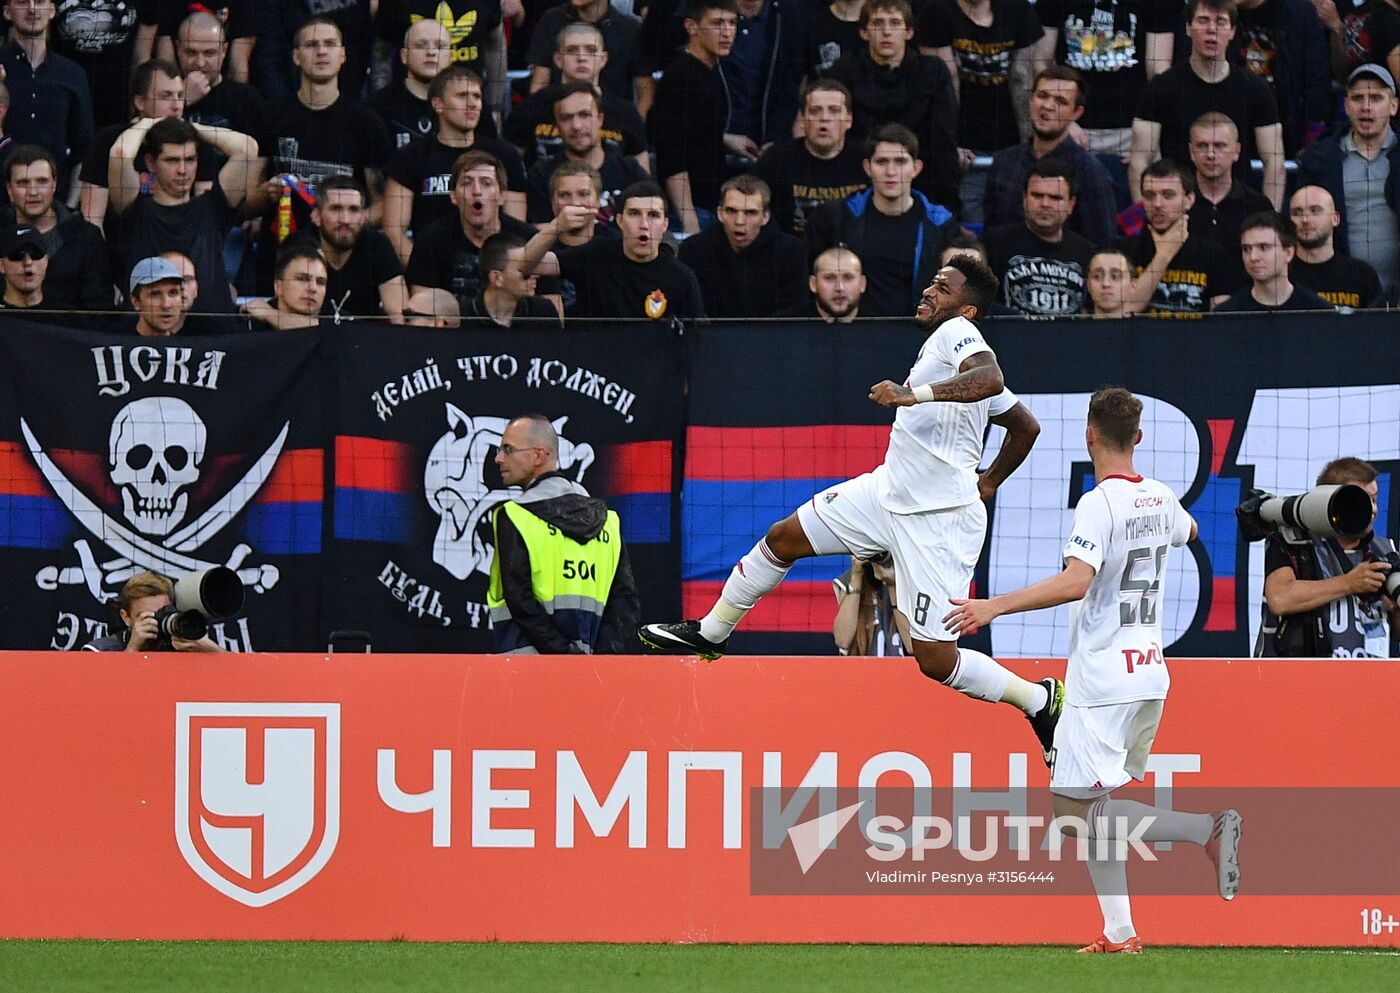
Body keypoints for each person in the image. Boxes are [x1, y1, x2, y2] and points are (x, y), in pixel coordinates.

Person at [638, 257, 1059, 760]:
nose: (928, 290)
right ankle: (711, 632)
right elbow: (1025, 426)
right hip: (887, 492)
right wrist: (988, 482)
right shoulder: (945, 352)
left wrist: (912, 395)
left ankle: (1039, 701)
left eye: (942, 288)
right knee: (783, 537)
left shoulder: (957, 333)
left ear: (967, 309)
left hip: (937, 521)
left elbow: (989, 378)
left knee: (934, 660)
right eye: (931, 281)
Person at [944, 386, 1240, 955]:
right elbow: (1192, 532)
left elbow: (1078, 580)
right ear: (1140, 438)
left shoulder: (1098, 503)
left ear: (1088, 436)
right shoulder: (1158, 495)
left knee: (1076, 815)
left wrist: (993, 605)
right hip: (1150, 674)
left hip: (1103, 680)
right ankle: (1120, 933)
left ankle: (1207, 829)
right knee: (1092, 807)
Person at [250, 15, 392, 291]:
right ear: (296, 56)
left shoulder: (366, 124)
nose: (322, 51)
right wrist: (266, 194)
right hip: (281, 255)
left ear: (343, 55)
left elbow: (383, 206)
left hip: (343, 256)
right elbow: (244, 201)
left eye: (330, 44)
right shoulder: (269, 116)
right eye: (312, 45)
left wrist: (344, 221)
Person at [487, 412, 640, 654]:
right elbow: (625, 604)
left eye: (508, 449)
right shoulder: (609, 522)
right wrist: (600, 663)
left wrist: (565, 655)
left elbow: (520, 601)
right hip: (591, 679)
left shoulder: (514, 516)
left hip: (524, 674)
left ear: (539, 455)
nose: (498, 458)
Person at [1130, 0, 1285, 209]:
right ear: (1188, 27)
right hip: (1177, 213)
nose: (1211, 30)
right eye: (1203, 21)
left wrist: (1270, 223)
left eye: (1220, 22)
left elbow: (1274, 161)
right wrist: (1145, 222)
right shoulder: (1161, 89)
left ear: (1232, 31)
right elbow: (1140, 161)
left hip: (1239, 211)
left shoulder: (1255, 89)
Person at [806, 123, 959, 318]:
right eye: (882, 162)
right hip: (853, 333)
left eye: (900, 162)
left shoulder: (941, 225)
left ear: (916, 168)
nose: (891, 172)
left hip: (918, 334)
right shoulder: (836, 217)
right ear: (868, 167)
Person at [824, 0, 962, 214]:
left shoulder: (932, 72)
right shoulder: (844, 71)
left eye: (895, 23)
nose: (887, 31)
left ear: (909, 32)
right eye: (878, 23)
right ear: (863, 32)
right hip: (857, 184)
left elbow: (943, 141)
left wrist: (948, 209)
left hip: (923, 184)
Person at [383, 65, 528, 267]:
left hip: (495, 271)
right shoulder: (410, 156)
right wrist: (424, 271)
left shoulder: (504, 155)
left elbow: (515, 229)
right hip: (431, 267)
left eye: (477, 97)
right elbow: (393, 230)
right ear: (438, 104)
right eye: (462, 96)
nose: (472, 104)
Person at [108, 115, 257, 311]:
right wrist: (150, 123)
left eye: (190, 159)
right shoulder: (134, 210)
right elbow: (119, 153)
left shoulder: (214, 206)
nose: (182, 170)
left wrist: (190, 126)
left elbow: (248, 148)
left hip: (213, 336)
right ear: (151, 163)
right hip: (149, 336)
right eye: (172, 160)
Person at [1255, 457, 1399, 658]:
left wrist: (1396, 612)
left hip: (1368, 681)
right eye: (1364, 501)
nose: (1373, 510)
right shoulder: (1293, 541)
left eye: (1374, 500)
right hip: (1301, 678)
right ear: (1331, 502)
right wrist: (1349, 583)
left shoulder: (1385, 550)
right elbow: (1280, 598)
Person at [1033, 0, 1177, 190]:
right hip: (1071, 129)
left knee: (1135, 215)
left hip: (1131, 133)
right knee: (1064, 210)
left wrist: (1148, 134)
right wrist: (1063, 120)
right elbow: (1040, 62)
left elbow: (1159, 73)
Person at [520, 180, 706, 320]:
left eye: (653, 215)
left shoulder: (681, 277)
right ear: (619, 221)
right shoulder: (596, 254)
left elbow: (699, 339)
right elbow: (526, 265)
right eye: (634, 214)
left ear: (665, 225)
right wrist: (555, 228)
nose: (643, 224)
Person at [915, 0, 1048, 192]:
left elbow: (1024, 79)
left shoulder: (1017, 8)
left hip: (1011, 137)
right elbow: (944, 85)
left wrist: (1030, 142)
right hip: (965, 144)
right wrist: (950, 144)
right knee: (970, 210)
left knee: (1015, 209)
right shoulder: (936, 10)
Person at [1295, 63, 1400, 303]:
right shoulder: (1319, 160)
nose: (1366, 107)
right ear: (1346, 106)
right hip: (1339, 295)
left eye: (1375, 98)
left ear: (1393, 106)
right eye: (1357, 98)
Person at [404, 150, 555, 314]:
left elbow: (553, 312)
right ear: (453, 196)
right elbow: (421, 317)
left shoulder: (530, 240)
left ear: (502, 196)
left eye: (486, 183)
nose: (476, 191)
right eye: (467, 183)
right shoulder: (431, 240)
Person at [982, 66, 1118, 246]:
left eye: (1060, 101)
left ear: (1077, 113)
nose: (1047, 106)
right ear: (1031, 100)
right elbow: (990, 235)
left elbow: (1102, 247)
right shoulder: (1004, 162)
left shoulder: (1091, 172)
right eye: (1042, 96)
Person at [503, 21, 649, 169]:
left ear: (603, 59)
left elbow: (643, 182)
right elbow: (510, 172)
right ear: (558, 60)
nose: (581, 57)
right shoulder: (530, 109)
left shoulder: (625, 113)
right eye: (572, 50)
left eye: (591, 50)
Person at [651, 0, 738, 234]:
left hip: (711, 203)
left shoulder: (711, 69)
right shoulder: (680, 78)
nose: (727, 32)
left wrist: (726, 138)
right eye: (717, 23)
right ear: (691, 27)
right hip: (692, 210)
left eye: (732, 23)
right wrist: (689, 218)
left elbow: (695, 130)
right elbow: (671, 153)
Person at [1114, 159, 1234, 316]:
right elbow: (1121, 314)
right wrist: (1163, 257)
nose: (1157, 204)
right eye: (1149, 195)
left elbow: (1221, 325)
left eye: (1168, 195)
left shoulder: (1214, 255)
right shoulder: (1122, 251)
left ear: (1189, 200)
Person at [677, 174, 807, 318]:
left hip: (773, 338)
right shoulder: (694, 250)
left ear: (765, 217)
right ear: (720, 213)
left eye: (750, 213)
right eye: (732, 211)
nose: (739, 221)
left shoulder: (792, 252)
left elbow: (794, 311)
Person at [2, 143, 112, 313]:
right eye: (23, 183)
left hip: (68, 335)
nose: (33, 192)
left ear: (54, 185)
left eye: (42, 181)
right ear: (9, 189)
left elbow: (99, 310)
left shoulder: (86, 236)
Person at [0, 0, 94, 198]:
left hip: (56, 206)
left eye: (40, 1)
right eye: (23, 2)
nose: (33, 8)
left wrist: (69, 208)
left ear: (52, 10)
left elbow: (83, 151)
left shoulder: (73, 73)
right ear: (7, 12)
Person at [751, 79, 869, 236]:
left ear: (849, 120)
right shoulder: (776, 159)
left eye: (834, 110)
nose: (824, 118)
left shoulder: (867, 159)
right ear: (802, 120)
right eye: (815, 111)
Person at [982, 158, 1096, 317]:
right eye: (1037, 195)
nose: (1045, 204)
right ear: (1024, 199)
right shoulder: (993, 243)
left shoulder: (1086, 253)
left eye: (1055, 198)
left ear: (1071, 204)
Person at [524, 82, 648, 224]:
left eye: (584, 115)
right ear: (557, 125)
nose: (576, 126)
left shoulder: (630, 172)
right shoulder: (541, 175)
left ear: (600, 119)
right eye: (566, 118)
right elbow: (537, 231)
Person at [294, 175, 407, 323]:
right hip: (310, 338)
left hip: (365, 341)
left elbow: (399, 315)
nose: (345, 220)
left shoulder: (377, 245)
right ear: (316, 216)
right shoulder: (298, 247)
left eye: (353, 210)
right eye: (336, 209)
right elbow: (286, 314)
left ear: (362, 217)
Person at [1229, 0, 1331, 157]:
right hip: (1229, 143)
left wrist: (1312, 144)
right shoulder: (1215, 12)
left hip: (1287, 140)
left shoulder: (1300, 14)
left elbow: (1317, 83)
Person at [1185, 112, 1274, 289]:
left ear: (1236, 151)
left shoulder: (1258, 206)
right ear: (1191, 152)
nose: (1211, 154)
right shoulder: (1176, 204)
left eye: (1219, 146)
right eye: (1202, 146)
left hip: (1242, 306)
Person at [1287, 184, 1385, 308]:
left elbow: (1378, 325)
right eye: (1297, 213)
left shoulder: (1362, 275)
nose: (1305, 219)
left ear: (1335, 219)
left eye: (1315, 211)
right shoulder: (1281, 274)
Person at [527, 0, 642, 102]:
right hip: (557, 117)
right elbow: (539, 85)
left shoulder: (630, 29)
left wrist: (633, 124)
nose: (582, 57)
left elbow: (645, 94)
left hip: (617, 120)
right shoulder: (551, 20)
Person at [1216, 211, 1333, 311]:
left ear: (1288, 253)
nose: (1253, 257)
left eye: (1264, 247)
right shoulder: (1227, 315)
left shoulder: (1317, 311)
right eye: (1246, 249)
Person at [80, 571, 223, 652]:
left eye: (163, 613)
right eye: (146, 616)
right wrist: (132, 649)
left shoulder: (184, 645)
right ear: (126, 617)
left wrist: (211, 651)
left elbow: (238, 681)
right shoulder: (99, 651)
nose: (156, 621)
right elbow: (96, 696)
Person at [175, 10, 264, 137]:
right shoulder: (159, 94)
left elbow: (258, 154)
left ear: (224, 51)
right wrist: (181, 100)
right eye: (191, 52)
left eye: (209, 53)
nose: (200, 63)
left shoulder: (247, 100)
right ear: (178, 48)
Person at [370, 18, 453, 149]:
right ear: (404, 55)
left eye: (440, 46)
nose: (431, 52)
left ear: (450, 57)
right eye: (421, 45)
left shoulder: (469, 106)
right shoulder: (376, 107)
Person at [462, 232, 562, 326]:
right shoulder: (464, 317)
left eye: (533, 266)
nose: (534, 275)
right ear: (497, 278)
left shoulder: (543, 312)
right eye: (524, 270)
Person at [832, 553, 910, 655]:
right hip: (863, 668)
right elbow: (843, 640)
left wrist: (892, 586)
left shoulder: (909, 578)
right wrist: (856, 575)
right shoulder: (848, 581)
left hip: (904, 668)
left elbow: (911, 645)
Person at [242, 244, 327, 330]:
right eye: (302, 279)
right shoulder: (250, 327)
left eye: (320, 282)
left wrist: (270, 314)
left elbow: (325, 330)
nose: (313, 288)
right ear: (278, 287)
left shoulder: (334, 318)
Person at [776, 245, 866, 320]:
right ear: (813, 284)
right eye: (830, 278)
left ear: (862, 284)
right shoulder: (785, 326)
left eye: (848, 278)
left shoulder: (878, 329)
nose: (839, 287)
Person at [125, 254, 188, 336]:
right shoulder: (118, 345)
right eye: (155, 294)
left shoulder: (192, 345)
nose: (166, 305)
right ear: (136, 301)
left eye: (173, 293)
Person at [0, 223, 52, 315]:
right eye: (18, 255)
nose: (28, 262)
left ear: (46, 261)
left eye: (35, 254)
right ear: (1, 265)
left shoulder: (67, 316)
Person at [1085, 247, 1133, 317]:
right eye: (1097, 276)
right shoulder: (1072, 327)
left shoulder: (1149, 327)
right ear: (1088, 285)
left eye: (1115, 276)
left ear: (1132, 286)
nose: (1106, 283)